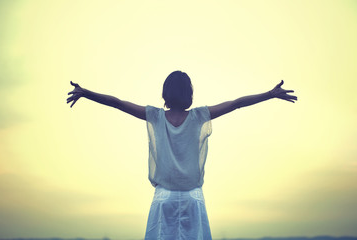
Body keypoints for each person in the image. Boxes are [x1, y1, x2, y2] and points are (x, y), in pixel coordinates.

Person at [67, 71, 297, 240]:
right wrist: (270, 94)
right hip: (192, 198)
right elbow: (236, 104)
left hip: (163, 198)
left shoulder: (155, 116)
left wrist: (86, 93)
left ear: (165, 94)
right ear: (189, 94)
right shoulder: (199, 116)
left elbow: (117, 103)